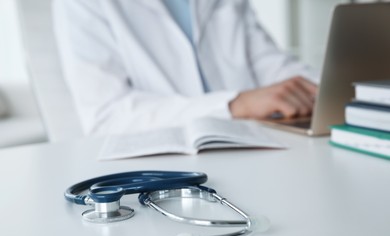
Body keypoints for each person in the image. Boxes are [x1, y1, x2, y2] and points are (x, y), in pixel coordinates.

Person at [53, 0, 319, 136]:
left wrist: (326, 90)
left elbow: (269, 64)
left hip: (249, 144)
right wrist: (233, 106)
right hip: (158, 170)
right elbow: (107, 117)